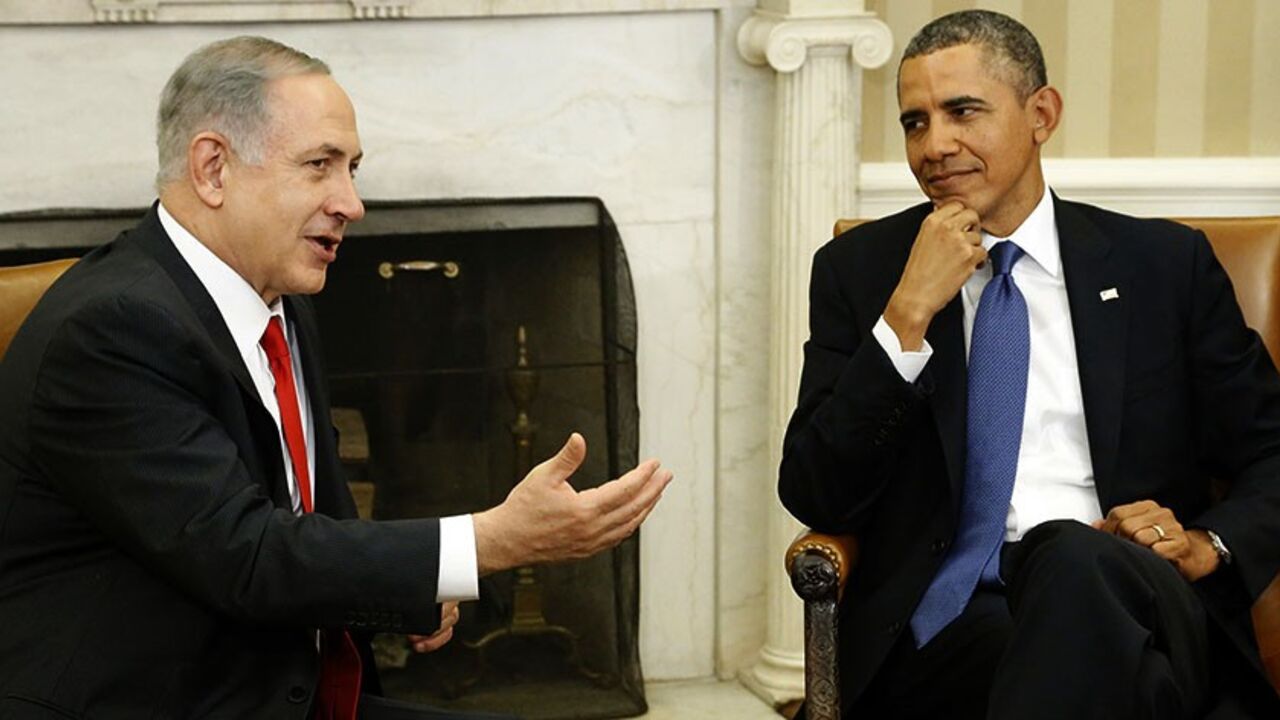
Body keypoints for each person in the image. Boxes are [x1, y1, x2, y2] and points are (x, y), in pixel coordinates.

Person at [0, 36, 672, 720]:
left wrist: (405, 587)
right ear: (212, 168)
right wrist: (489, 541)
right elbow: (249, 555)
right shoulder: (114, 328)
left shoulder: (278, 299)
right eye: (319, 165)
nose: (351, 202)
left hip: (272, 687)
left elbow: (312, 513)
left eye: (351, 169)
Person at [779, 10, 1280, 720]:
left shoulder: (1162, 267)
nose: (935, 145)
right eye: (914, 123)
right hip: (953, 620)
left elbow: (1272, 449)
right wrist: (906, 319)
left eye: (962, 112)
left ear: (1041, 113)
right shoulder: (862, 275)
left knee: (1072, 559)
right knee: (1106, 676)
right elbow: (816, 492)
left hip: (1133, 591)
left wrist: (1209, 544)